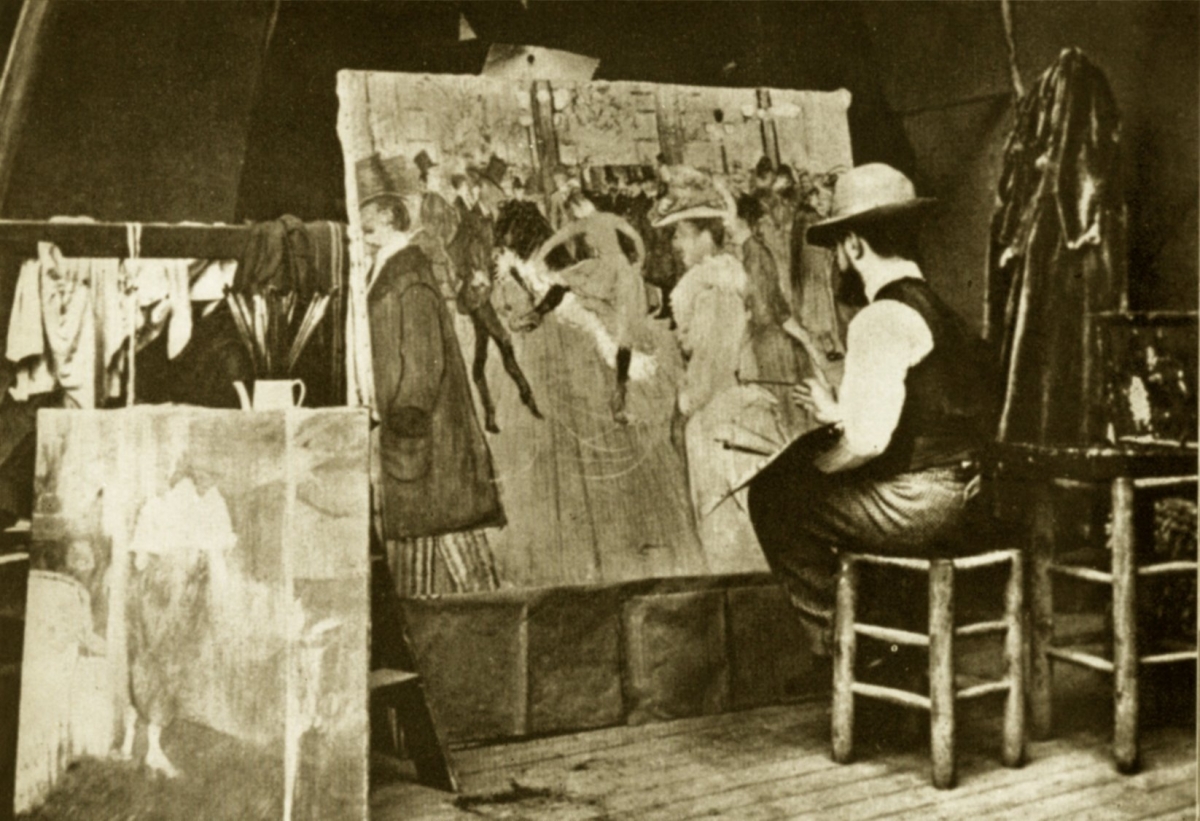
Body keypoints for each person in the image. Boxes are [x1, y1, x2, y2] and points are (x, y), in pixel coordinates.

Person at [746, 163, 994, 659]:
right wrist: (838, 415)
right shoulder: (942, 312)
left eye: (839, 248)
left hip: (922, 505)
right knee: (821, 480)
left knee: (775, 495)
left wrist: (818, 467)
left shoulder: (880, 317)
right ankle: (884, 641)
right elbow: (924, 415)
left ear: (853, 246)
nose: (838, 261)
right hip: (974, 496)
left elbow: (867, 443)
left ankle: (856, 648)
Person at [653, 170, 779, 574]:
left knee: (729, 533)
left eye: (681, 234)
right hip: (723, 412)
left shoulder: (714, 290)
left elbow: (709, 371)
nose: (675, 245)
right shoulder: (707, 287)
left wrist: (682, 405)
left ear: (706, 236)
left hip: (723, 419)